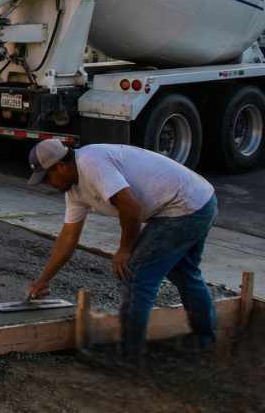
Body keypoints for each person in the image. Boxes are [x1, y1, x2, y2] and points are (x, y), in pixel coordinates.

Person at [25, 139, 218, 356]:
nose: (48, 184)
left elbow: (131, 208)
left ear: (61, 166)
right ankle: (205, 339)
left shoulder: (91, 163)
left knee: (135, 273)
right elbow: (67, 239)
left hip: (185, 206)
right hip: (198, 200)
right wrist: (43, 280)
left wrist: (124, 250)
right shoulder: (74, 191)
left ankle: (130, 353)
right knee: (184, 272)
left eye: (47, 177)